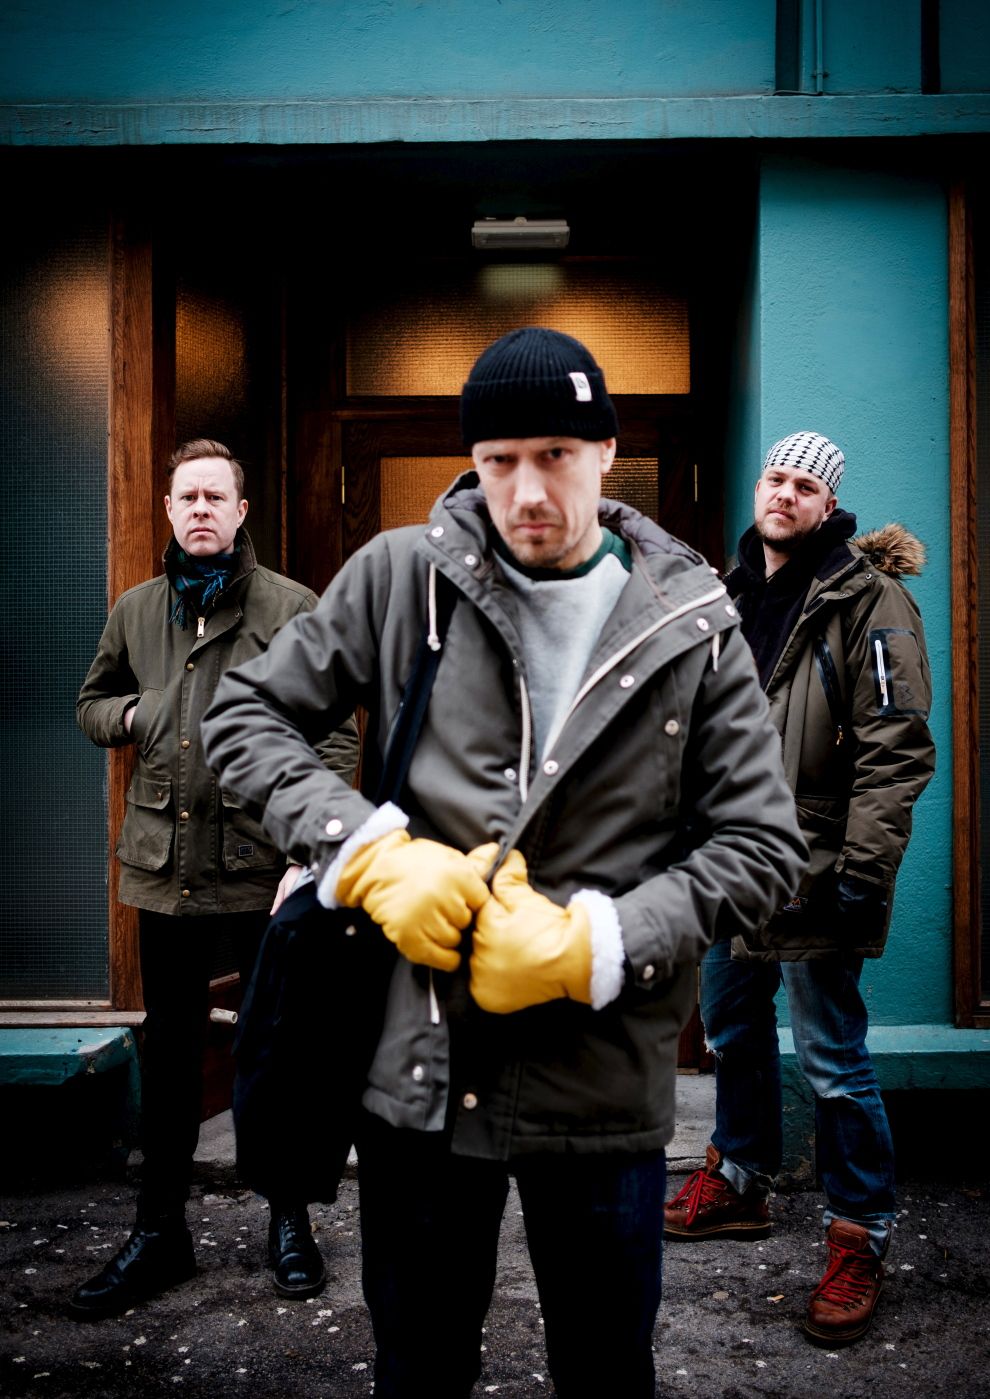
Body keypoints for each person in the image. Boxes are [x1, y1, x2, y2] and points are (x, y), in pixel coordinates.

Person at [200, 328, 808, 1398]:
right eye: (498, 460)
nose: (527, 490)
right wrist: (366, 853)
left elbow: (763, 845)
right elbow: (245, 715)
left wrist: (597, 942)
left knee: (605, 1369)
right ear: (473, 460)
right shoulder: (401, 577)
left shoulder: (693, 620)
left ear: (606, 451)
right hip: (422, 1069)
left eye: (555, 455)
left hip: (602, 1084)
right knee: (418, 1364)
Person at [70, 438, 359, 1319]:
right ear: (168, 509)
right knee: (169, 1057)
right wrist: (139, 712)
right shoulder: (136, 610)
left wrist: (310, 850)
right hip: (167, 869)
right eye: (186, 496)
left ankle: (289, 1220)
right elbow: (91, 704)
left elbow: (335, 733)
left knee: (279, 1050)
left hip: (264, 869)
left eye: (214, 497)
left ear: (241, 511)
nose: (200, 509)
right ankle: (161, 1231)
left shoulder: (290, 607)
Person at [664, 431, 935, 1348]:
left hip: (814, 864)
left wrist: (863, 871)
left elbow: (898, 747)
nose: (785, 493)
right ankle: (740, 1182)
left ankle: (860, 1235)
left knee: (831, 1058)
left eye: (804, 485)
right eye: (776, 477)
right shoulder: (733, 590)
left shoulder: (868, 597)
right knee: (732, 1028)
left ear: (828, 505)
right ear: (760, 488)